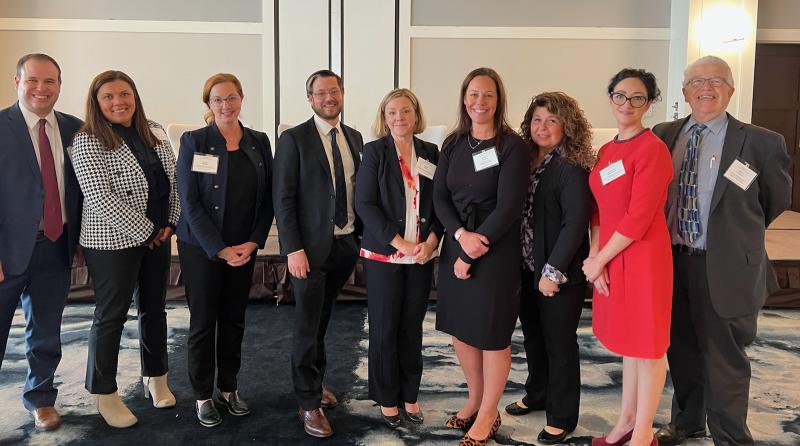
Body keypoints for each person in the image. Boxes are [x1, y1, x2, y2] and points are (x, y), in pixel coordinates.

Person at [652, 56, 792, 446]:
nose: (706, 87)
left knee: (725, 359)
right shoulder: (663, 134)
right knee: (681, 348)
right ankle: (687, 421)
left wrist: (735, 234)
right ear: (685, 92)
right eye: (697, 81)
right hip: (674, 262)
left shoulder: (762, 142)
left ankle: (730, 437)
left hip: (727, 265)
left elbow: (774, 200)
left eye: (716, 80)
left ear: (730, 90)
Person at [70, 70, 180, 428]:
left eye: (125, 93)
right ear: (96, 102)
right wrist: (147, 230)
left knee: (154, 308)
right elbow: (100, 197)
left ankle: (156, 377)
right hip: (113, 240)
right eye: (109, 96)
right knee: (112, 315)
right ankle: (104, 393)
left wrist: (171, 223)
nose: (119, 101)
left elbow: (173, 181)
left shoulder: (154, 130)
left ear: (135, 95)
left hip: (158, 237)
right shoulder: (86, 140)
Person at [432, 67, 529, 446]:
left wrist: (474, 247)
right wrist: (459, 236)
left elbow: (509, 206)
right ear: (464, 98)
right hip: (458, 242)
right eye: (473, 94)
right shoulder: (454, 143)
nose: (480, 102)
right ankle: (475, 399)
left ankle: (489, 413)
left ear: (498, 100)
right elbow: (440, 196)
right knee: (461, 330)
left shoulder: (512, 146)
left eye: (488, 95)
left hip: (496, 249)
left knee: (491, 335)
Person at [175, 73, 274, 427]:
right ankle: (202, 395)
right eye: (217, 100)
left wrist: (252, 242)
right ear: (208, 105)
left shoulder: (259, 142)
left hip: (244, 249)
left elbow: (268, 200)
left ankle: (229, 388)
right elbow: (189, 202)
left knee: (234, 320)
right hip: (202, 248)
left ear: (242, 99)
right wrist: (219, 249)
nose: (225, 105)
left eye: (231, 98)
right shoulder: (194, 141)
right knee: (203, 323)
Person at [583, 68, 673, 446]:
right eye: (620, 95)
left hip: (644, 259)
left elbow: (638, 217)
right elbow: (598, 212)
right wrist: (595, 255)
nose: (627, 103)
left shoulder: (653, 149)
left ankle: (642, 435)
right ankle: (626, 422)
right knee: (630, 347)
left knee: (649, 348)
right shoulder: (607, 150)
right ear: (610, 98)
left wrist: (600, 259)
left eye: (637, 97)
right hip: (612, 254)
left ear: (648, 104)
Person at [273, 69, 363, 438]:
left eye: (335, 91)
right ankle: (308, 404)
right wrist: (293, 247)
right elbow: (284, 198)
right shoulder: (293, 139)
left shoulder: (354, 137)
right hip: (308, 251)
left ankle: (315, 384)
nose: (329, 97)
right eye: (321, 92)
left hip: (345, 244)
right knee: (308, 326)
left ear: (342, 94)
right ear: (310, 98)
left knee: (323, 321)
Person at [503, 92, 593, 444]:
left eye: (552, 121)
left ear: (566, 126)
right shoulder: (524, 160)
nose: (543, 128)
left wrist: (552, 271)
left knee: (559, 344)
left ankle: (562, 416)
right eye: (537, 120)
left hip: (557, 274)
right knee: (533, 337)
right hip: (525, 268)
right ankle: (537, 393)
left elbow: (575, 223)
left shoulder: (570, 166)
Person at [0, 53, 83, 431]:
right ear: (17, 82)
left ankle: (41, 398)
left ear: (60, 86)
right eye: (33, 80)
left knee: (46, 330)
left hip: (55, 245)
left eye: (50, 81)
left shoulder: (76, 129)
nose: (41, 88)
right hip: (6, 250)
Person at [354, 88, 442, 429]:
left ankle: (410, 395)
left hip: (421, 255)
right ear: (384, 116)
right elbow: (365, 204)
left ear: (416, 115)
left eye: (405, 111)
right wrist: (400, 243)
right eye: (392, 112)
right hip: (385, 255)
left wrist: (432, 240)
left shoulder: (431, 152)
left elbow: (440, 203)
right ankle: (387, 398)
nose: (399, 118)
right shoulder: (375, 152)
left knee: (411, 329)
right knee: (385, 327)